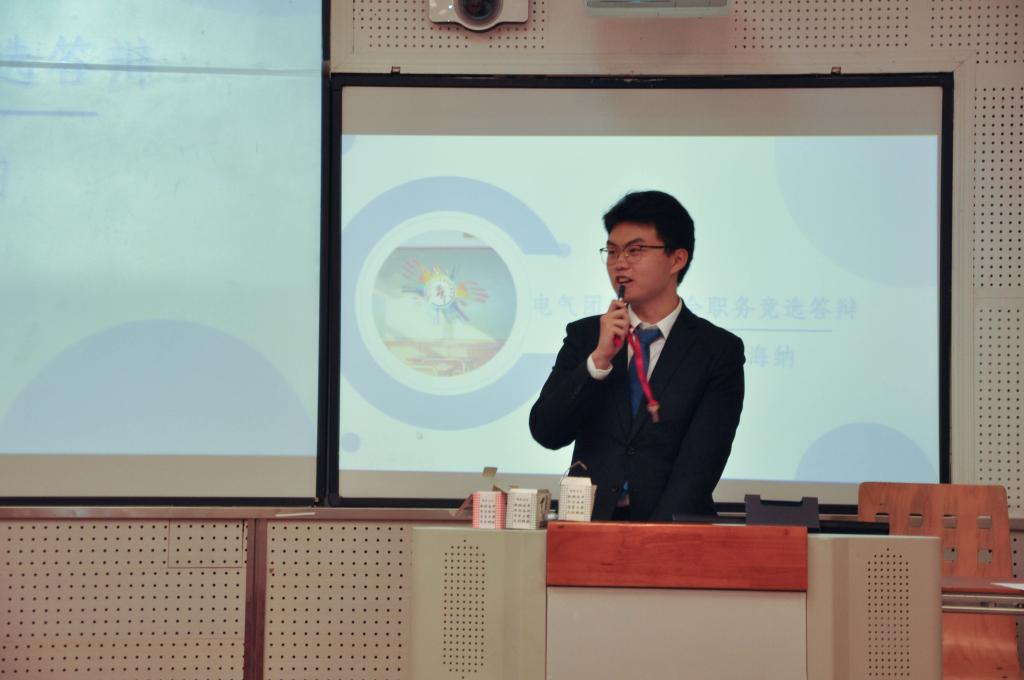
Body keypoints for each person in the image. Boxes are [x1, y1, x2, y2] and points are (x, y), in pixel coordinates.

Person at [529, 190, 745, 521]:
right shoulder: (586, 337)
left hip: (674, 533)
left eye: (635, 250)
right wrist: (598, 361)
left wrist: (651, 541)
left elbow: (701, 462)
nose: (620, 263)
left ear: (677, 259)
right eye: (612, 251)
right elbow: (546, 431)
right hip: (589, 529)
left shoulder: (716, 351)